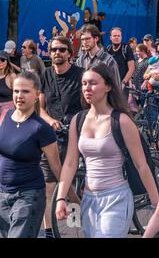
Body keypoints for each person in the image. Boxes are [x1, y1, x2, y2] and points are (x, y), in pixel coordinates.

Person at [55, 64, 159, 238]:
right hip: (89, 199)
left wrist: (157, 204)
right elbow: (70, 163)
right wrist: (60, 198)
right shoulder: (78, 120)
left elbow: (141, 165)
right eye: (84, 83)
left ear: (108, 86)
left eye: (93, 83)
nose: (87, 88)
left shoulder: (122, 121)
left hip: (116, 198)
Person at [0, 71, 62, 238]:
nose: (19, 96)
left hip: (28, 197)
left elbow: (56, 168)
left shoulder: (42, 128)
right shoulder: (6, 117)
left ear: (36, 95)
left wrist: (69, 198)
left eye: (25, 91)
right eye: (16, 91)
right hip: (2, 196)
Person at [39, 36, 84, 238]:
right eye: (54, 49)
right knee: (48, 184)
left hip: (76, 135)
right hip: (51, 137)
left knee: (71, 183)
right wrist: (49, 120)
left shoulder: (80, 75)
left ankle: (75, 227)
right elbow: (39, 108)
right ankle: (49, 231)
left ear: (69, 53)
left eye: (62, 50)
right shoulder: (46, 75)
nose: (57, 53)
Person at [0, 51, 16, 118]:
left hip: (8, 111)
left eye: (3, 60)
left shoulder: (12, 76)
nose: (0, 62)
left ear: (8, 62)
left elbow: (18, 94)